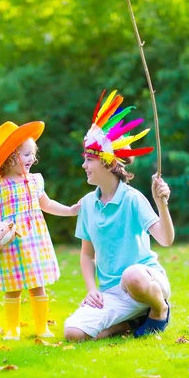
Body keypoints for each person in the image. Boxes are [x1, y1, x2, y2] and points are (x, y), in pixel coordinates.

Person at [63, 90, 174, 341]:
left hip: (146, 281)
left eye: (89, 159)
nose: (84, 166)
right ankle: (129, 324)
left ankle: (159, 310)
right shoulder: (88, 205)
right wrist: (92, 290)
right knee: (73, 333)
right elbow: (86, 255)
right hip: (112, 293)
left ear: (107, 162)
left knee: (132, 275)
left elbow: (166, 239)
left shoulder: (133, 199)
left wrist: (161, 204)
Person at [0, 120, 80, 341]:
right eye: (27, 154)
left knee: (38, 284)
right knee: (13, 286)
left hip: (35, 239)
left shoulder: (35, 180)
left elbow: (45, 204)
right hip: (10, 241)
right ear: (10, 157)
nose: (33, 159)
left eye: (33, 154)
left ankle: (41, 327)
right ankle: (12, 329)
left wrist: (70, 210)